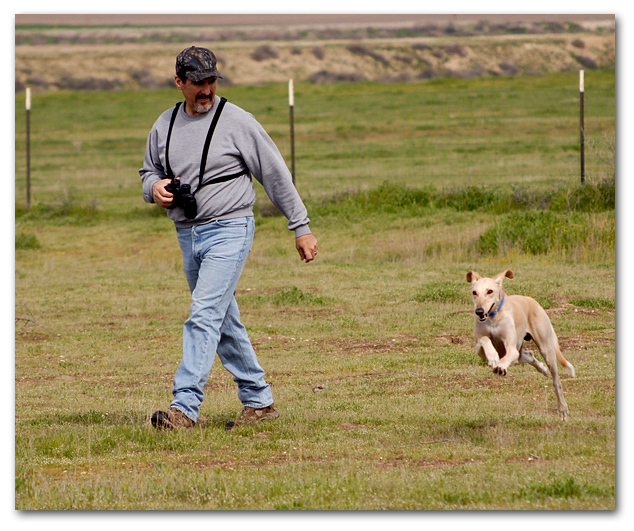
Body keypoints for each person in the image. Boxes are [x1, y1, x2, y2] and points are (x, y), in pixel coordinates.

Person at [140, 46, 318, 430]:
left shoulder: (237, 121)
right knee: (221, 320)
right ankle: (260, 401)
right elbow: (148, 172)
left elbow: (275, 175)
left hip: (231, 228)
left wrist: (300, 226)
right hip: (187, 233)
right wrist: (154, 188)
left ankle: (183, 409)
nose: (206, 90)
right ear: (179, 83)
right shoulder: (164, 124)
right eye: (198, 83)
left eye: (211, 81)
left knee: (203, 314)